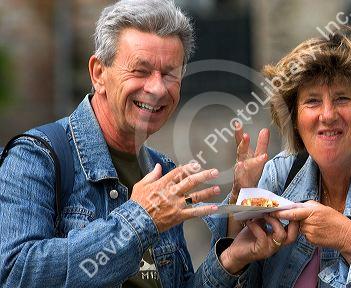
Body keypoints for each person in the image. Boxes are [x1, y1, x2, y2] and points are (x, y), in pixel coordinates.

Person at [0, 1, 287, 287]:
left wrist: (230, 259)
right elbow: (15, 274)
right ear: (99, 73)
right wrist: (141, 219)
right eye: (141, 71)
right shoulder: (35, 157)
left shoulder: (163, 170)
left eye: (169, 73)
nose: (157, 88)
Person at [210, 26, 351, 287]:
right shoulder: (276, 177)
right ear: (295, 119)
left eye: (342, 99)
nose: (327, 115)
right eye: (313, 101)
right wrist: (239, 202)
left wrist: (350, 240)